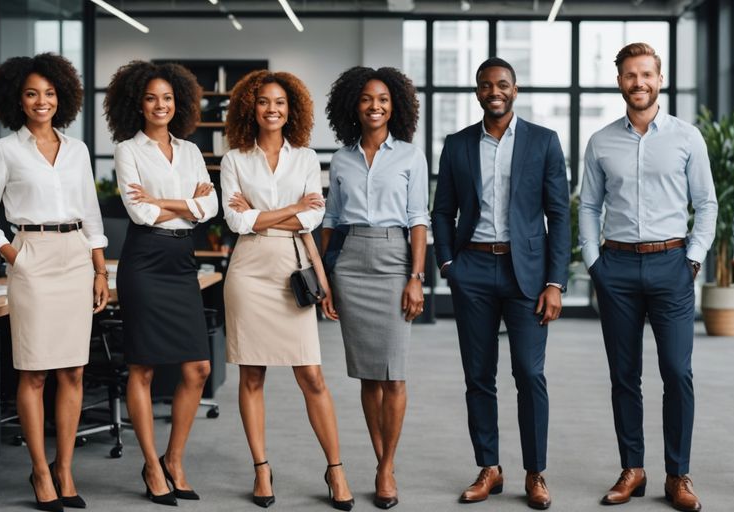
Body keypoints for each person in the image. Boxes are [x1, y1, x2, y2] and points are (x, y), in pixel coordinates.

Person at [578, 42, 717, 512]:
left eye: (646, 74)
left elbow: (708, 203)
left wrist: (693, 259)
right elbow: (590, 205)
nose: (638, 82)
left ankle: (678, 475)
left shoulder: (686, 137)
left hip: (671, 265)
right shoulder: (600, 141)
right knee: (624, 375)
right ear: (619, 81)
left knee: (677, 372)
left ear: (660, 79)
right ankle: (633, 469)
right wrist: (595, 264)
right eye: (629, 75)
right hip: (615, 267)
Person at [0, 53, 110, 512]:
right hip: (32, 258)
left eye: (50, 93)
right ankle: (39, 469)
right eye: (32, 93)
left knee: (72, 369)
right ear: (18, 98)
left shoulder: (77, 150)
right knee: (33, 372)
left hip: (75, 257)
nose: (41, 101)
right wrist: (14, 255)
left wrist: (99, 269)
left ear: (62, 97)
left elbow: (91, 214)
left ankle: (65, 467)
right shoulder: (4, 150)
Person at [431, 57, 570, 511]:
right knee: (478, 375)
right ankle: (489, 467)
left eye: (503, 84)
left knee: (530, 374)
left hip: (525, 274)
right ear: (477, 92)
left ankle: (535, 473)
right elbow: (442, 210)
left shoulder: (544, 142)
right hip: (472, 270)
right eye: (487, 85)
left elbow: (559, 214)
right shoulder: (456, 144)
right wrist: (449, 263)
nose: (495, 91)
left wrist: (555, 281)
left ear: (516, 89)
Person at [219, 69, 354, 511]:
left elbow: (312, 219)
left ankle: (335, 468)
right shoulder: (235, 158)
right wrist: (292, 207)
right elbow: (237, 223)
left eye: (279, 102)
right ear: (249, 108)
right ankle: (261, 468)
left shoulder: (305, 157)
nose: (272, 109)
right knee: (251, 375)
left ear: (290, 108)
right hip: (248, 272)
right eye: (263, 101)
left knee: (311, 375)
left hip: (292, 269)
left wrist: (266, 213)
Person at [104, 60, 219, 506]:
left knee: (198, 368)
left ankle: (175, 459)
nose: (160, 105)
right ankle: (151, 464)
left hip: (180, 259)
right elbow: (140, 213)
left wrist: (167, 202)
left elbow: (210, 210)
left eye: (168, 98)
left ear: (180, 103)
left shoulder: (189, 151)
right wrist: (187, 204)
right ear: (138, 102)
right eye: (152, 97)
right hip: (145, 259)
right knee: (144, 366)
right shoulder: (127, 149)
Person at [321, 66, 429, 510]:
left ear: (395, 106)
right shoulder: (342, 158)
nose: (375, 106)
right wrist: (325, 277)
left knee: (395, 373)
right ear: (354, 105)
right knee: (369, 374)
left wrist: (416, 277)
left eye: (383, 99)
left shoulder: (409, 155)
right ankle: (380, 460)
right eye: (367, 98)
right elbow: (330, 220)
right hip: (350, 262)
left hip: (394, 257)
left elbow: (419, 218)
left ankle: (386, 468)